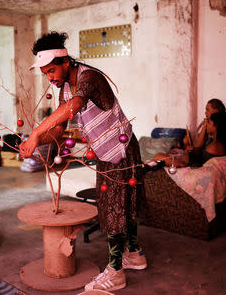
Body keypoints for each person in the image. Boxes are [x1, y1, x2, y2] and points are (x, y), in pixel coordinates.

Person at [19, 31, 147, 292]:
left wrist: (35, 133)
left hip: (120, 149)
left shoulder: (89, 77)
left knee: (115, 210)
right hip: (105, 153)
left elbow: (76, 105)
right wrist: (35, 143)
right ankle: (134, 254)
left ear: (66, 63)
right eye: (45, 73)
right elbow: (58, 131)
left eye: (52, 70)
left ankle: (116, 272)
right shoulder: (64, 87)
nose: (50, 77)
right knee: (120, 205)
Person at [155, 112, 226, 167]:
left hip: (187, 166)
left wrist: (188, 152)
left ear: (216, 126)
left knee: (159, 156)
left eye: (209, 122)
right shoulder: (218, 143)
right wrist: (189, 148)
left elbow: (199, 165)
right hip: (189, 161)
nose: (206, 125)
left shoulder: (215, 147)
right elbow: (200, 155)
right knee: (160, 156)